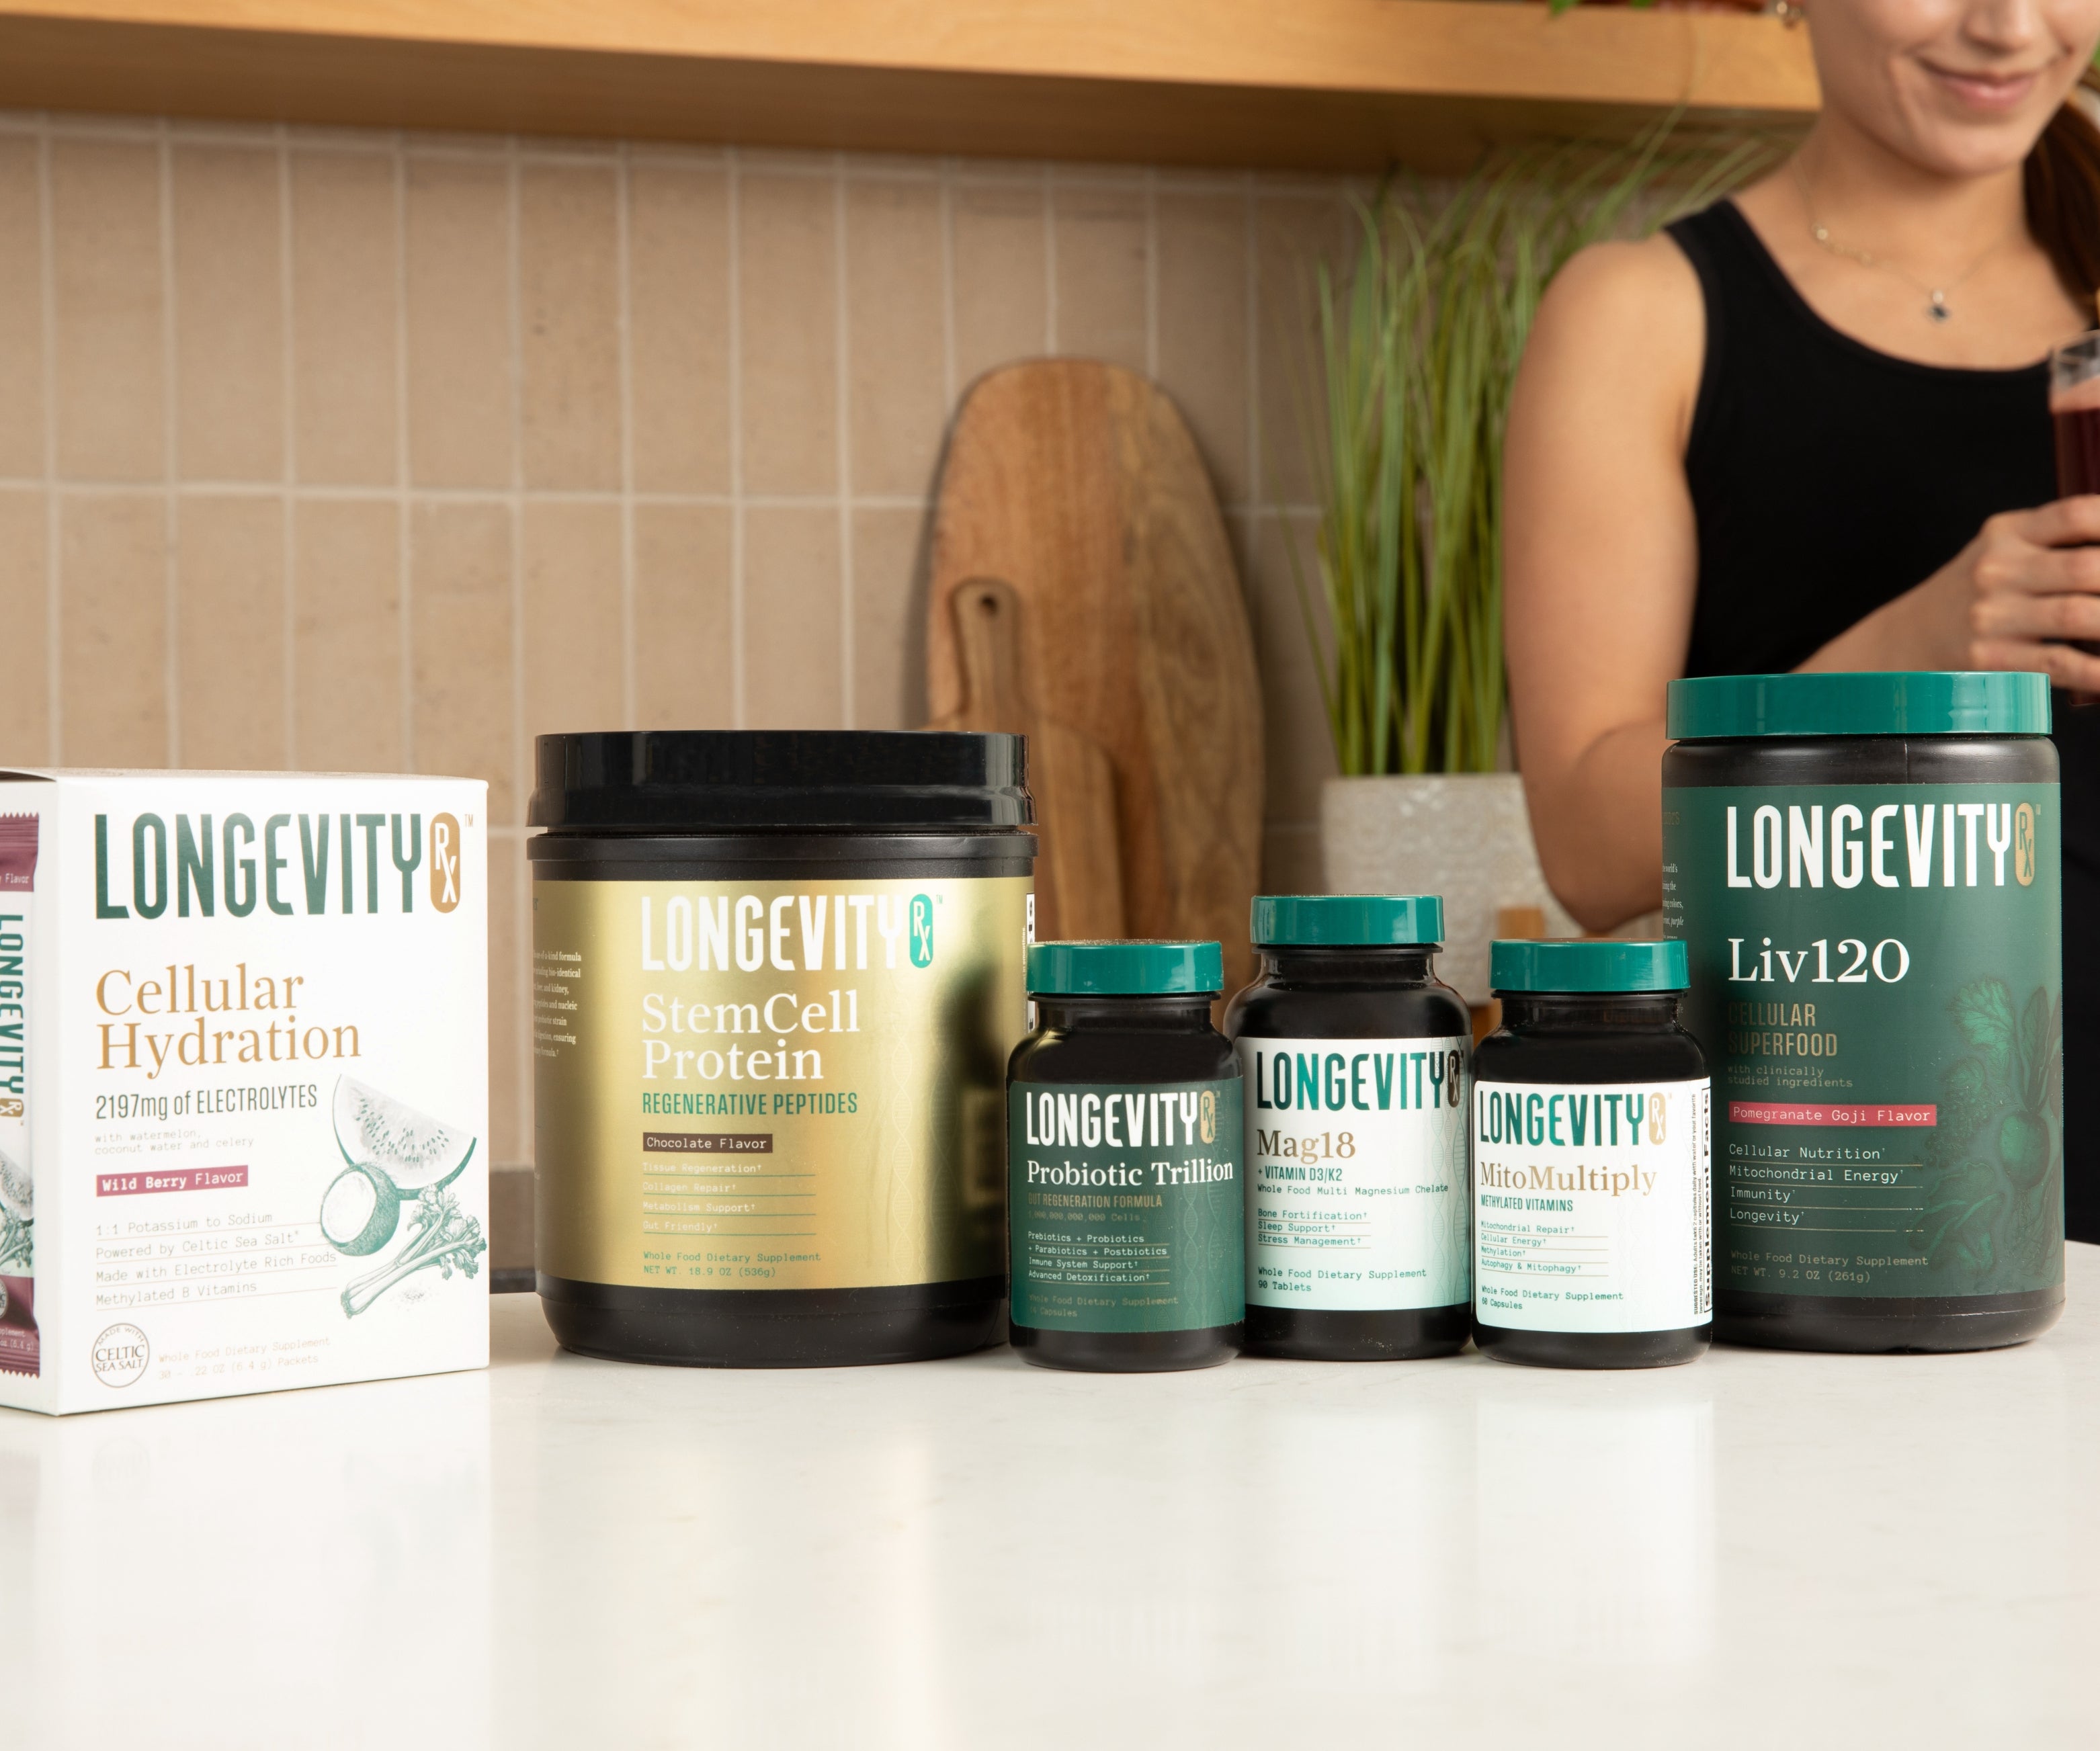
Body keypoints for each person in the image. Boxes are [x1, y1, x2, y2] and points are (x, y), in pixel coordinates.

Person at [1503, 0, 2100, 1239]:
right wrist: (1916, 650)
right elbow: (1589, 850)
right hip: (1855, 1196)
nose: (2008, 27)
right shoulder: (1643, 313)